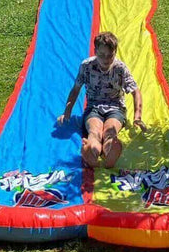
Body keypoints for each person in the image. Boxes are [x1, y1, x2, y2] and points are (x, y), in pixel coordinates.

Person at [57, 32, 146, 169]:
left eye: (110, 56)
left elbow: (135, 91)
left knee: (110, 132)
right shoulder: (86, 66)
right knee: (95, 130)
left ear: (115, 52)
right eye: (101, 55)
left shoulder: (120, 68)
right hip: (93, 108)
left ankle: (111, 152)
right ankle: (91, 151)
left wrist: (137, 117)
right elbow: (75, 90)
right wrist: (67, 112)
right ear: (95, 51)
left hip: (116, 108)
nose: (106, 60)